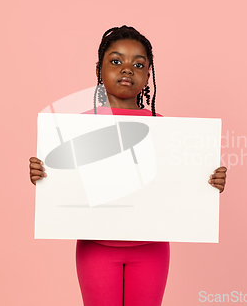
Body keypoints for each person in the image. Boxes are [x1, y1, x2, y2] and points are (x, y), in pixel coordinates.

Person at [29, 25, 227, 306]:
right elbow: (67, 183)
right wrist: (44, 176)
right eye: (116, 61)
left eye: (138, 64)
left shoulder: (164, 128)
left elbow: (177, 186)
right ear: (99, 70)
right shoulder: (76, 128)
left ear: (148, 75)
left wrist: (207, 182)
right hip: (96, 248)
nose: (127, 69)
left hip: (151, 248)